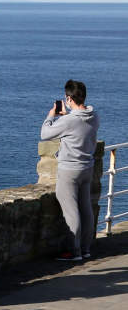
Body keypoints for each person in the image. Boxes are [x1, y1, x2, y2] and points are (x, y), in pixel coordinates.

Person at [41, 80, 100, 260]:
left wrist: (51, 115)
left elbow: (45, 134)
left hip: (69, 170)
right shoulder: (94, 115)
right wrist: (68, 115)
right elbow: (78, 125)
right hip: (87, 167)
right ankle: (86, 248)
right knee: (86, 208)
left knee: (71, 211)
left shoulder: (68, 120)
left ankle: (74, 252)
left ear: (68, 98)